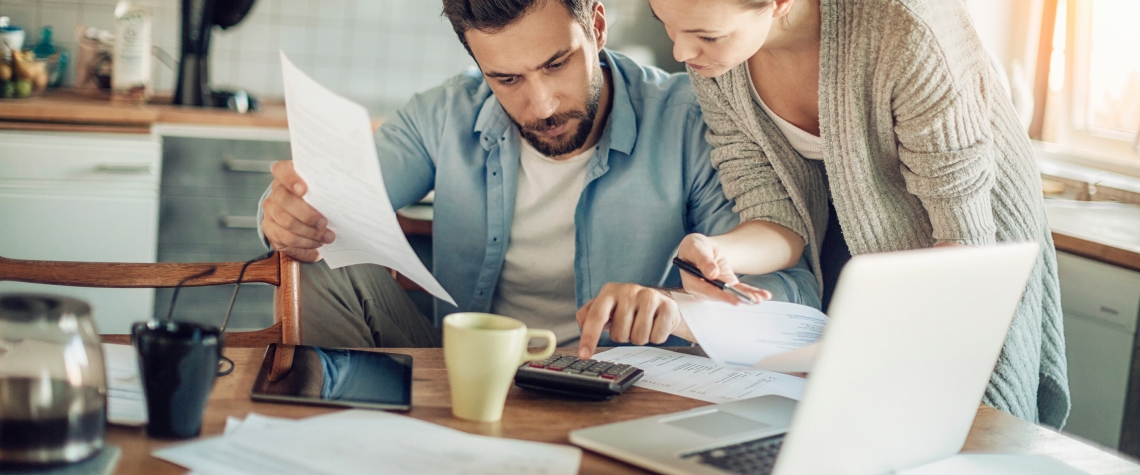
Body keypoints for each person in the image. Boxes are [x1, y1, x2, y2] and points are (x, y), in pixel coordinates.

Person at [257, 0, 820, 357]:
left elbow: (792, 294)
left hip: (617, 387)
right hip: (461, 373)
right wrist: (290, 215)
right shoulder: (442, 113)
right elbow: (331, 199)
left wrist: (679, 308)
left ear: (596, 26)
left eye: (557, 64)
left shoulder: (690, 120)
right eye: (506, 78)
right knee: (315, 263)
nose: (541, 104)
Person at [648, 0, 1069, 427]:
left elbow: (964, 243)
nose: (681, 52)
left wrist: (881, 329)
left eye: (706, 36)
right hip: (849, 227)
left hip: (966, 236)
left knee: (961, 420)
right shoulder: (716, 61)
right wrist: (717, 251)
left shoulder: (908, 24)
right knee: (851, 421)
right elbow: (776, 216)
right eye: (665, 25)